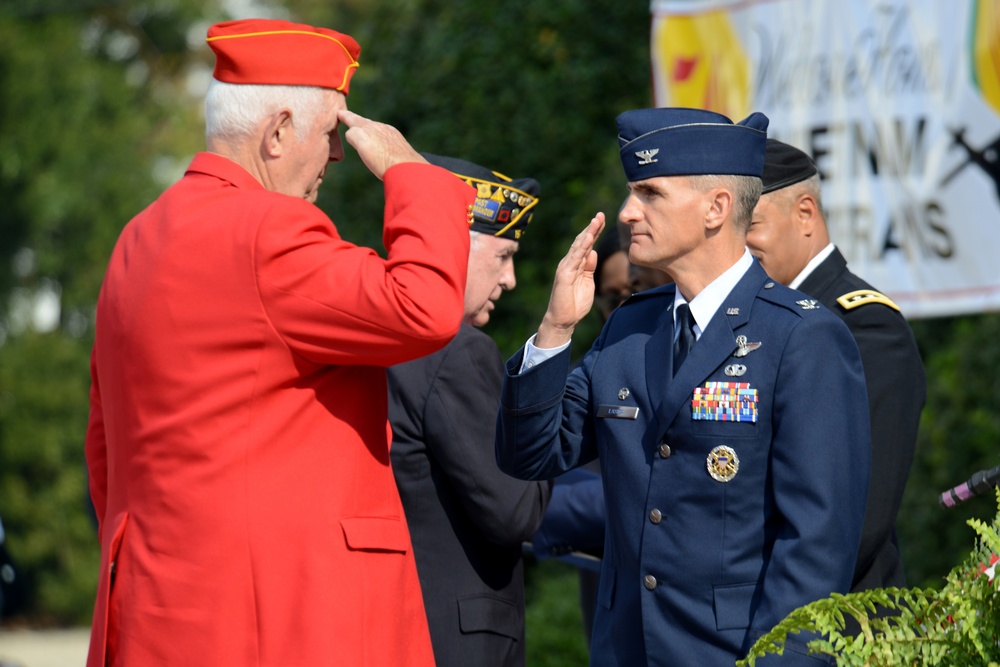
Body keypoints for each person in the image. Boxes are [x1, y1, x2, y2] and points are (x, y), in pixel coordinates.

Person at [84, 19, 474, 667]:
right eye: (330, 134)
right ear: (277, 132)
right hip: (282, 621)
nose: (337, 156)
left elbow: (107, 447)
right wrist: (415, 176)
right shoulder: (271, 231)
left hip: (162, 615)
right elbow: (424, 307)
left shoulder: (137, 239)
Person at [495, 107, 871, 665]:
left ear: (717, 208)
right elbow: (531, 454)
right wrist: (555, 330)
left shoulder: (802, 336)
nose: (628, 212)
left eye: (650, 193)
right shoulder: (630, 325)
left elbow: (815, 546)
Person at [387, 154, 551, 667]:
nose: (511, 280)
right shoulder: (456, 350)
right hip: (454, 641)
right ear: (453, 244)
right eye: (503, 256)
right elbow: (515, 511)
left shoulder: (371, 329)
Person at [746, 138, 927, 593]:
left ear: (805, 213)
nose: (737, 249)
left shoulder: (864, 326)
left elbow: (856, 519)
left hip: (839, 631)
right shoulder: (756, 317)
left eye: (750, 226)